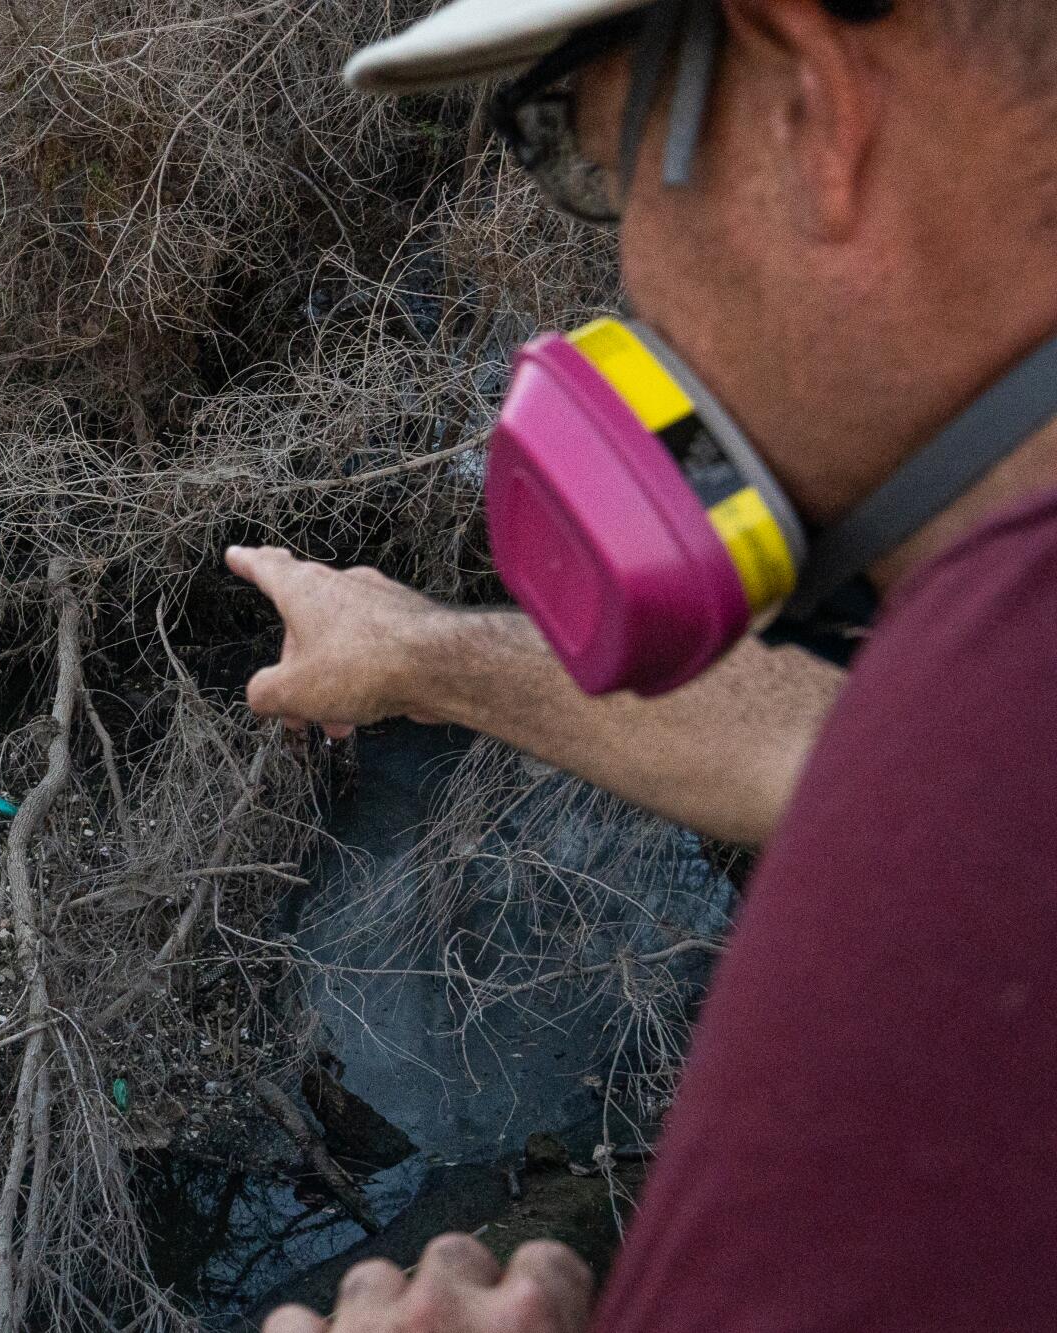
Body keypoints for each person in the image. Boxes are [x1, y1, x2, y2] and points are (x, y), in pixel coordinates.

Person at [233, 0, 1057, 1329]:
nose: (626, 284)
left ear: (817, 109)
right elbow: (845, 754)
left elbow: (911, 789)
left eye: (596, 161)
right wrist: (421, 653)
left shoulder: (978, 798)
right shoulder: (984, 724)